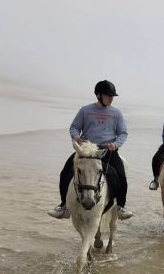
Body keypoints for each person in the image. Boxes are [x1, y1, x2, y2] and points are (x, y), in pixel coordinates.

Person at [48, 80, 133, 221]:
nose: (111, 98)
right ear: (99, 95)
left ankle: (121, 207)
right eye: (108, 95)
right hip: (86, 151)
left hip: (107, 151)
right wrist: (76, 137)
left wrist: (115, 144)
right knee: (65, 172)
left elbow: (123, 133)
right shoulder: (85, 111)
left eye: (112, 96)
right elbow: (74, 127)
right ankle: (63, 207)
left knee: (121, 176)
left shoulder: (116, 113)